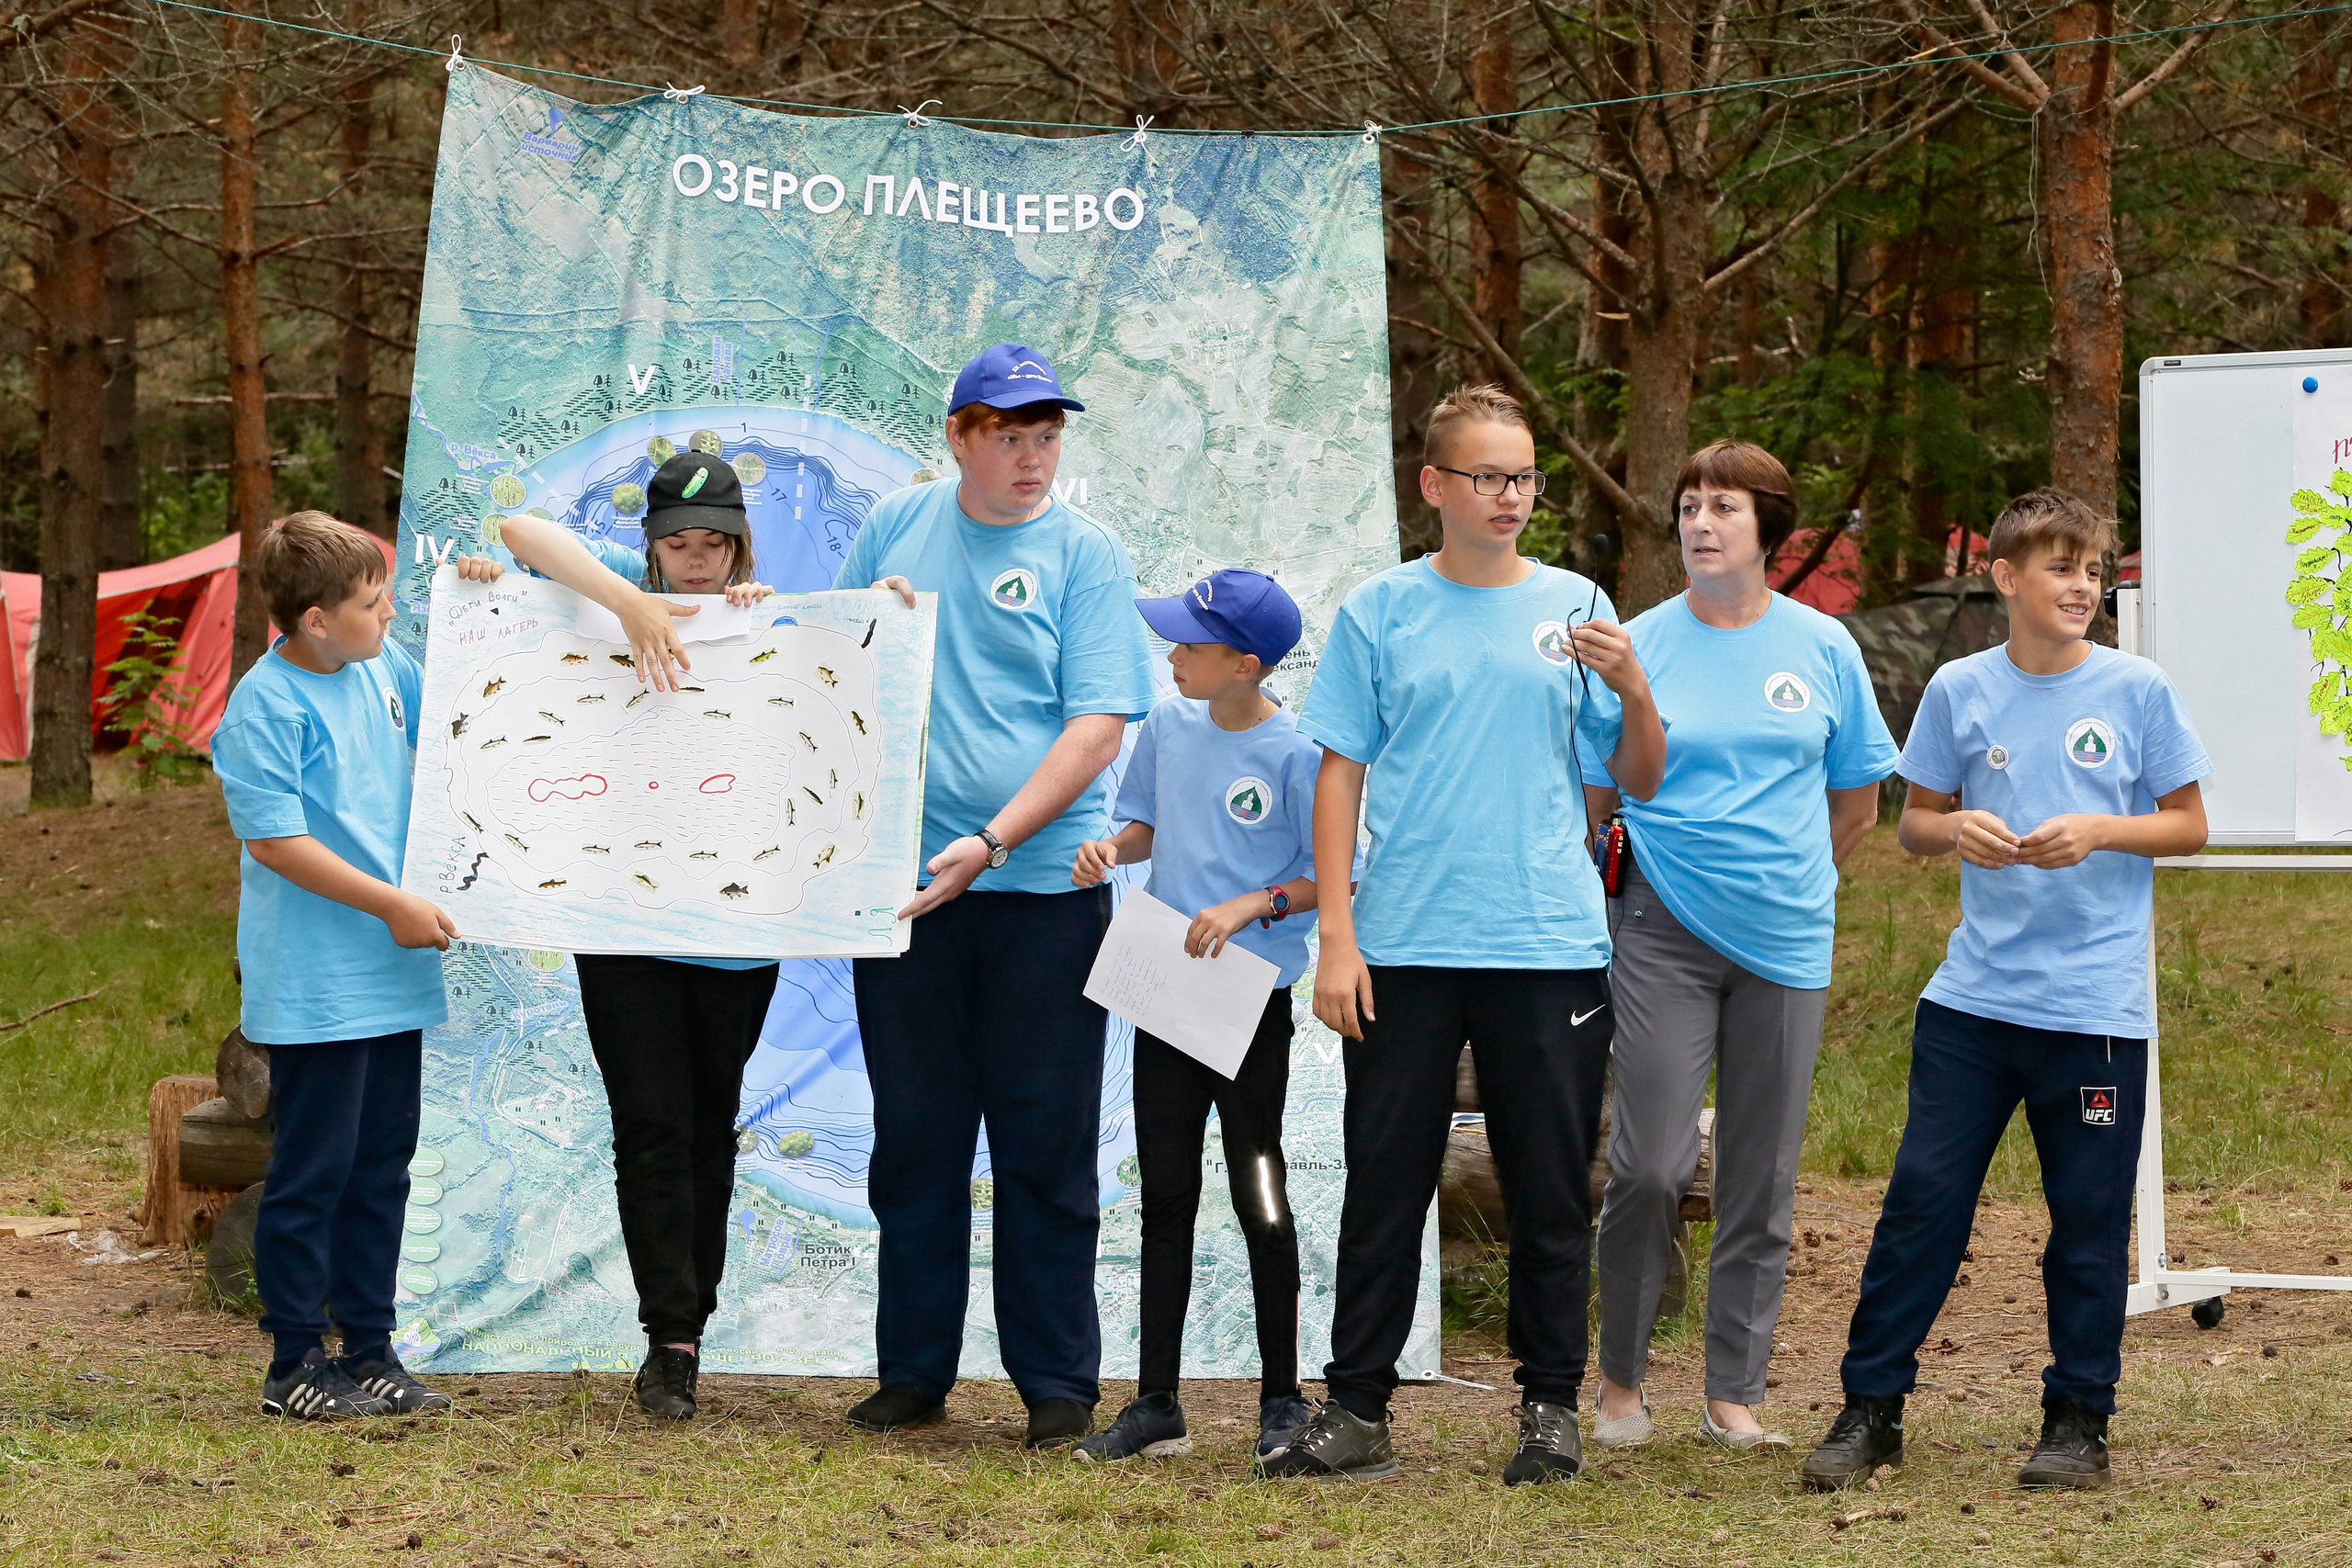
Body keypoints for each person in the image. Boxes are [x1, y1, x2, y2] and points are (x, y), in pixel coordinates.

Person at [1265, 384, 1668, 1485]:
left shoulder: (1578, 602)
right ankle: (1354, 1410)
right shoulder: (1380, 613)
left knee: (1547, 1188)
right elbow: (1337, 771)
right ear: (1434, 486)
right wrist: (1336, 936)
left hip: (1546, 944)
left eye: (1524, 476)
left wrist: (1633, 689)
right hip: (1400, 944)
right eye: (1485, 476)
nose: (1508, 497)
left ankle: (1547, 1408)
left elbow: (1635, 777)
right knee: (1384, 1183)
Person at [1799, 490, 2211, 1492]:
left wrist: (2099, 829)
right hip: (1972, 1008)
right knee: (1922, 1206)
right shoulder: (1955, 686)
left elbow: (2190, 823)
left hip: (2093, 1013)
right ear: (2006, 578)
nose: (2080, 586)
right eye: (2060, 568)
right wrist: (1956, 831)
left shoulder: (2137, 688)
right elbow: (1914, 821)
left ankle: (2077, 1423)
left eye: (2093, 570)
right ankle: (1869, 1411)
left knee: (2085, 1223)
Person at [837, 344, 1155, 1450]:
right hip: (911, 894)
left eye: (1048, 435)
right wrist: (858, 626)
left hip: (1044, 891)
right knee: (915, 1139)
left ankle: (1057, 1384)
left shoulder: (1085, 554)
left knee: (1044, 1141)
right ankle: (912, 1372)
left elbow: (1097, 724)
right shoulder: (896, 526)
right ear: (959, 437)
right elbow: (838, 676)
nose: (1033, 457)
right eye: (1011, 436)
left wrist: (991, 837)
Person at [455, 450, 780, 1421]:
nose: (697, 561)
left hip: (734, 930)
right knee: (647, 1125)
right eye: (679, 544)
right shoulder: (609, 596)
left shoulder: (764, 614)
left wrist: (873, 607)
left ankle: (693, 1320)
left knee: (706, 1127)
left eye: (715, 543)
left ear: (738, 544)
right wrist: (614, 602)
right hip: (620, 919)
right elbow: (521, 537)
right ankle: (666, 1338)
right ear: (650, 545)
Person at [1589, 442, 1897, 1452]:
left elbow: (1855, 798)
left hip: (1785, 940)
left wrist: (1799, 880)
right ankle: (1622, 1383)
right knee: (1649, 1165)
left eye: (1723, 506)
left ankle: (1734, 1392)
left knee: (1760, 1176)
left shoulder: (1822, 646)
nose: (1700, 522)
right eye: (1687, 505)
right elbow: (1605, 793)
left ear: (1769, 527)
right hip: (1660, 929)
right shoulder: (1635, 642)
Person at [1067, 569, 1324, 1465]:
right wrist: (1113, 849)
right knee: (1165, 1195)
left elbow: (1331, 874)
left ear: (1245, 664)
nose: (1171, 656)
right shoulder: (1166, 728)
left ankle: (1283, 1400)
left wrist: (1253, 904)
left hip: (1249, 1003)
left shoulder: (1297, 755)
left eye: (1190, 645)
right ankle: (1155, 1403)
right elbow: (1143, 826)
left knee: (1260, 1196)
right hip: (1165, 985)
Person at [210, 511, 457, 1420]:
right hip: (318, 986)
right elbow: (275, 843)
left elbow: (466, 726)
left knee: (383, 1165)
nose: (390, 612)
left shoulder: (385, 669)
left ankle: (371, 1348)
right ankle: (293, 1366)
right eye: (371, 601)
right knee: (315, 1171)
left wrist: (485, 597)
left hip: (393, 976)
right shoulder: (264, 706)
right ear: (315, 620)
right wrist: (393, 904)